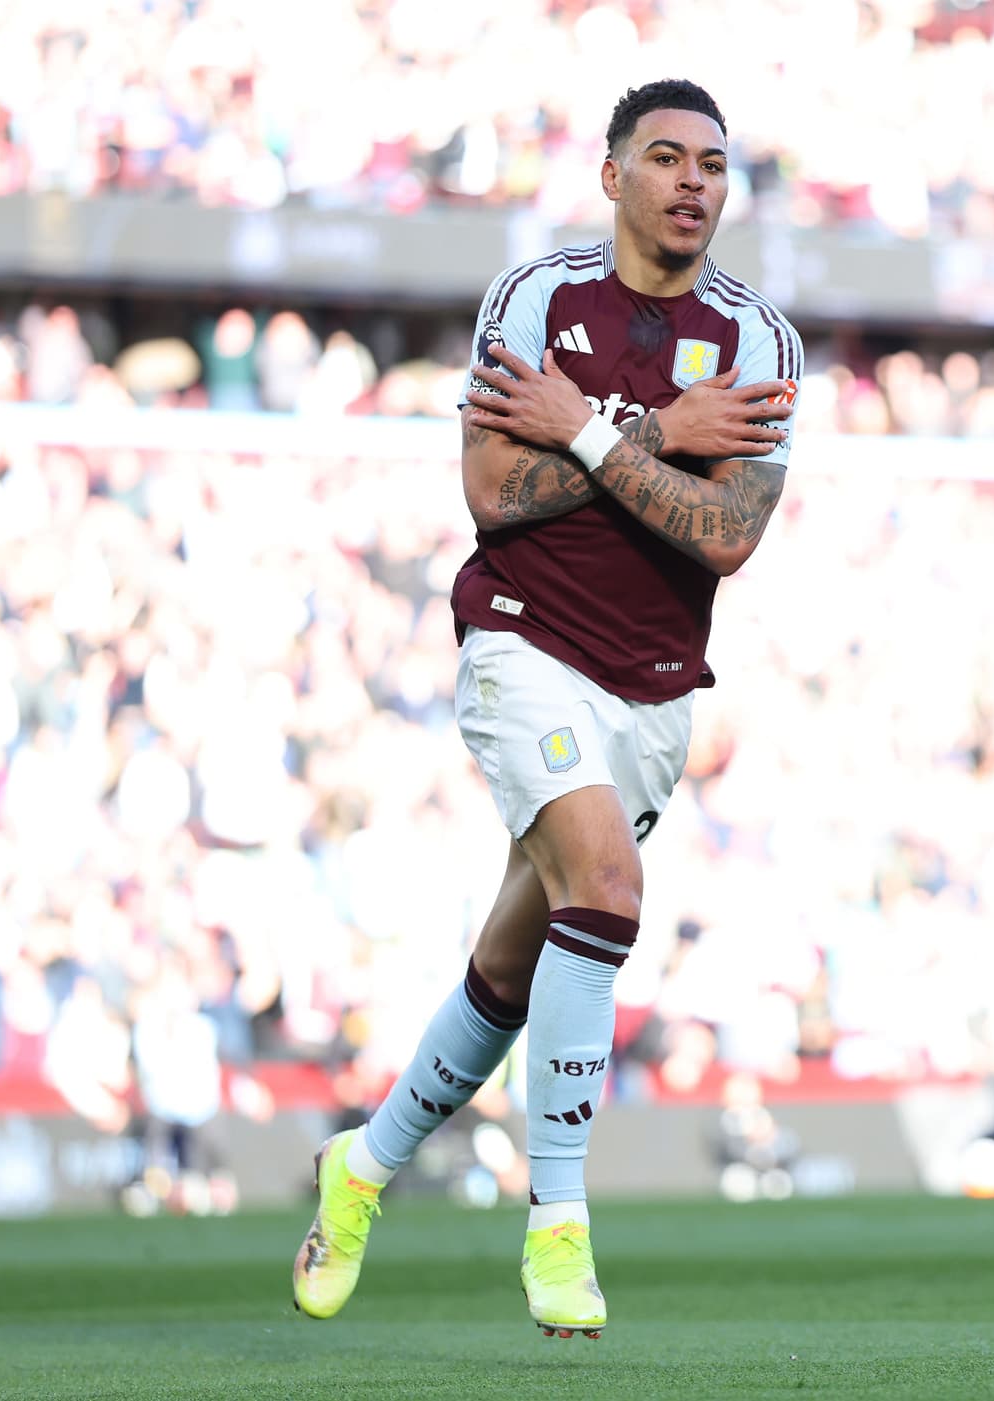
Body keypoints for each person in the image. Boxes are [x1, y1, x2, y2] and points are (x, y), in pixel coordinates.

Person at [292, 78, 801, 1340]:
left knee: (519, 963)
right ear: (612, 172)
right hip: (522, 640)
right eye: (667, 157)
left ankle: (361, 1167)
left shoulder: (760, 344)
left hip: (655, 685)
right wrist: (654, 433)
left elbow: (727, 536)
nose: (694, 182)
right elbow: (491, 496)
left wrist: (597, 436)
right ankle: (560, 1224)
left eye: (714, 167)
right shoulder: (539, 300)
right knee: (610, 892)